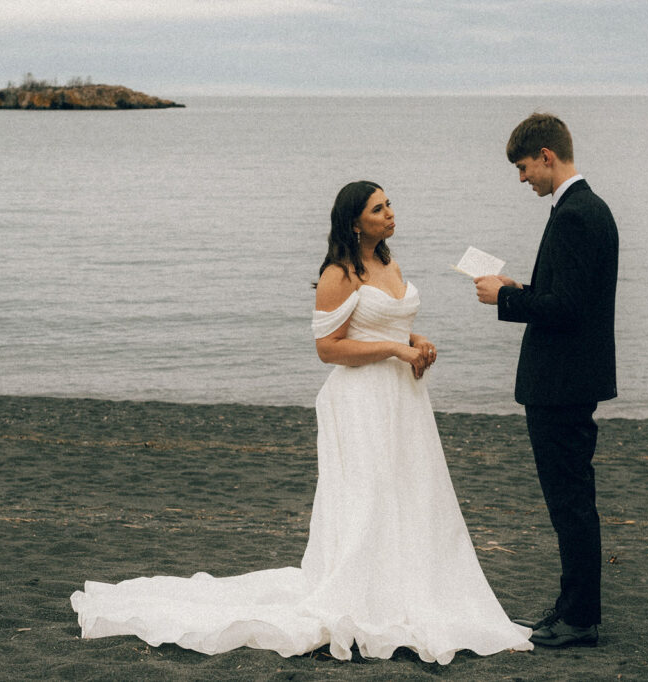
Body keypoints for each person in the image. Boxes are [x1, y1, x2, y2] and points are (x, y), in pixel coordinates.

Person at [70, 181, 532, 664]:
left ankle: (405, 587)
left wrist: (416, 341)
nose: (391, 213)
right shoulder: (339, 274)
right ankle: (363, 594)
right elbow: (328, 348)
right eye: (379, 208)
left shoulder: (388, 263)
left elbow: (382, 323)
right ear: (355, 222)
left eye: (389, 204)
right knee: (369, 495)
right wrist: (396, 348)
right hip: (360, 400)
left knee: (410, 491)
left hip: (403, 398)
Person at [475, 113, 618, 648]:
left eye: (523, 167)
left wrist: (506, 298)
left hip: (562, 383)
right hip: (569, 380)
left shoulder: (578, 213)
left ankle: (580, 617)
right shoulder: (582, 208)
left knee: (571, 503)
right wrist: (524, 286)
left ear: (547, 156)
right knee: (569, 500)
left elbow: (569, 308)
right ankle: (571, 604)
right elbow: (566, 291)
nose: (522, 179)